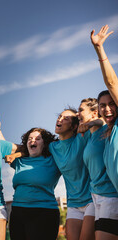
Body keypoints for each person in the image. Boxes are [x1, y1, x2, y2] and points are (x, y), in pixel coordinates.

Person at [49, 108, 95, 240]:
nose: (59, 119)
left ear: (74, 126)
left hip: (91, 199)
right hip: (73, 203)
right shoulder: (52, 147)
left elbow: (101, 123)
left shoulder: (82, 137)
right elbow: (30, 146)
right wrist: (17, 154)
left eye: (66, 118)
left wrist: (87, 122)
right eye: (59, 116)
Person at [9, 128, 60, 240]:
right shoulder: (20, 161)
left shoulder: (53, 160)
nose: (33, 141)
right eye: (30, 139)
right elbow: (4, 147)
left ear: (44, 143)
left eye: (38, 138)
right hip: (17, 212)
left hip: (44, 212)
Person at [91, 24, 118, 237]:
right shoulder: (106, 135)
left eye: (112, 103)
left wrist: (99, 49)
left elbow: (111, 82)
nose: (107, 108)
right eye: (102, 104)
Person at [78, 97, 118, 239]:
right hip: (96, 196)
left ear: (95, 113)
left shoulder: (105, 128)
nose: (78, 114)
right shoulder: (90, 136)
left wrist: (91, 123)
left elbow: (101, 121)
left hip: (110, 194)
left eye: (81, 110)